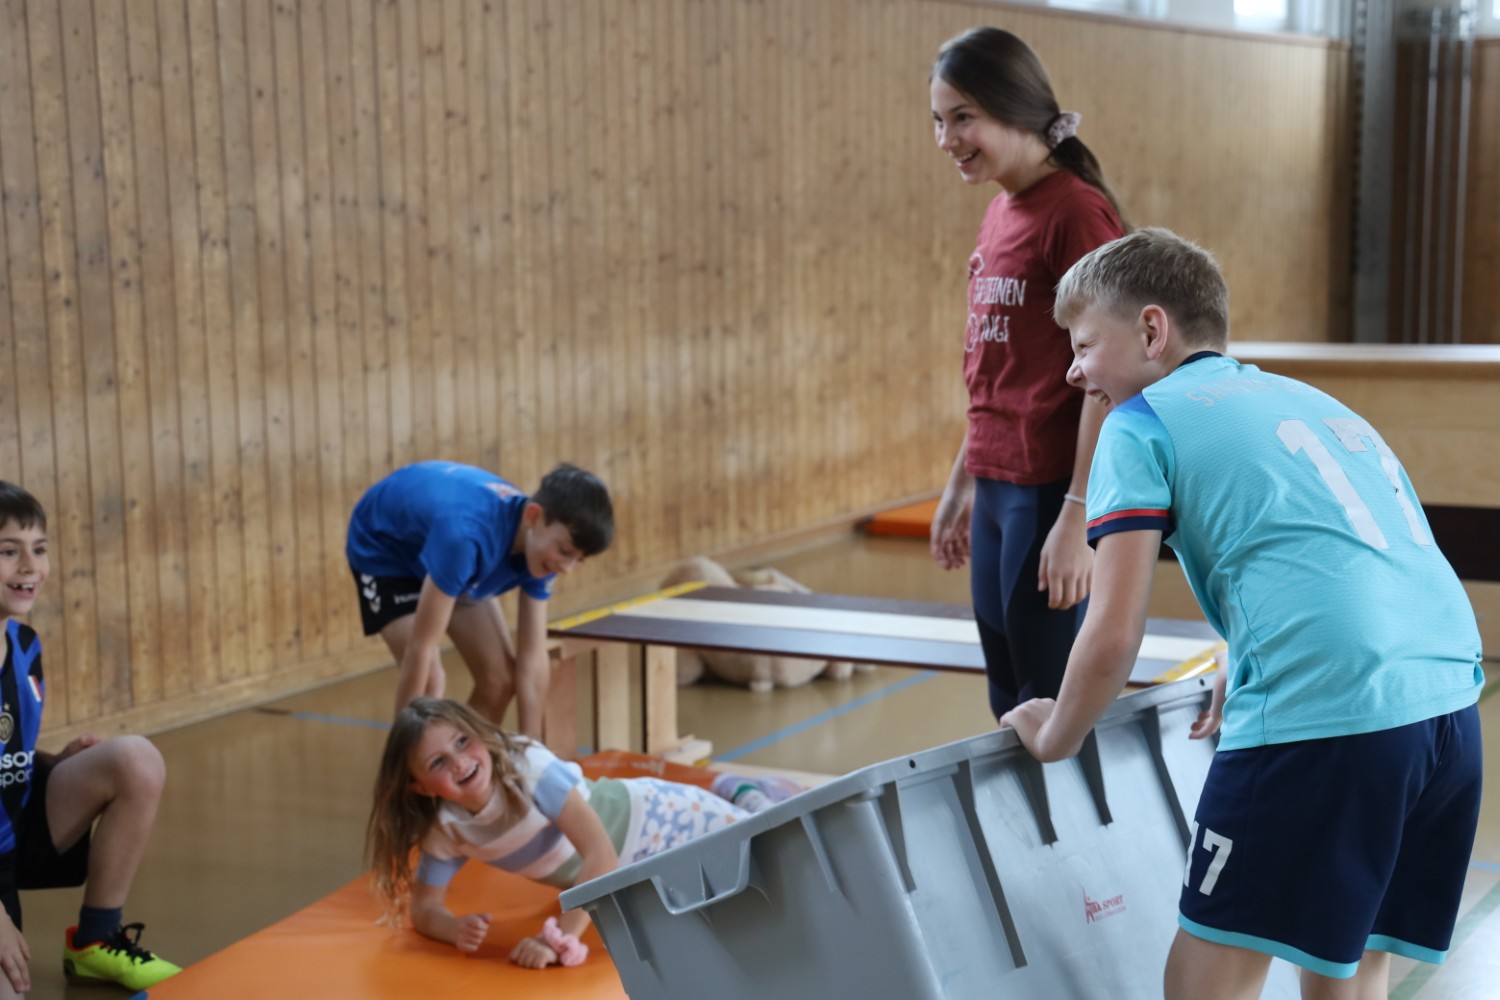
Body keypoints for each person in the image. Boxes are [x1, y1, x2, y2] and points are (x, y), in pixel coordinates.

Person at [1000, 228, 1484, 999]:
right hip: (1449, 708)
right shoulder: (1309, 400)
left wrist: (1057, 732)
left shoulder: (1140, 421)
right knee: (1348, 965)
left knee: (1206, 978)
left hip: (1323, 716)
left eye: (1085, 345)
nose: (1073, 371)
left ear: (1152, 331)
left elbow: (1114, 632)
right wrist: (1245, 651)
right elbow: (1342, 553)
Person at [927, 27, 1127, 720]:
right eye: (938, 120)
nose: (946, 138)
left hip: (1048, 490)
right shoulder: (999, 212)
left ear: (1013, 108)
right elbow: (999, 371)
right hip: (995, 484)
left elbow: (1109, 374)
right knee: (1008, 700)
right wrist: (961, 484)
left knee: (1048, 702)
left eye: (962, 118)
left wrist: (1078, 512)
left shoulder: (1075, 212)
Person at [365, 698, 796, 968]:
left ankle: (748, 795)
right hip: (632, 871)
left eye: (462, 742)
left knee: (768, 843)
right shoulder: (447, 829)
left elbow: (600, 856)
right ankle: (743, 796)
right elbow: (424, 909)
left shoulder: (528, 770)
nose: (459, 762)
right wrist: (452, 928)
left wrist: (558, 938)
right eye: (437, 763)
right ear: (422, 788)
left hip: (662, 820)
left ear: (478, 733)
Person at [0, 482, 182, 995]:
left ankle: (95, 940)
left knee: (134, 758)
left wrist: (51, 763)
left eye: (39, 549)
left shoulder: (24, 644)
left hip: (11, 836)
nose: (30, 566)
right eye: (8, 552)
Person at [347, 461, 613, 738]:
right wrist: (405, 750)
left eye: (579, 560)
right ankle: (414, 761)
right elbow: (421, 647)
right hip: (386, 550)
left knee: (499, 680)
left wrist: (534, 748)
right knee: (429, 683)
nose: (567, 568)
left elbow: (533, 656)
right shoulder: (468, 537)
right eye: (565, 552)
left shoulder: (543, 548)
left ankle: (463, 761)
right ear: (533, 516)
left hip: (444, 549)